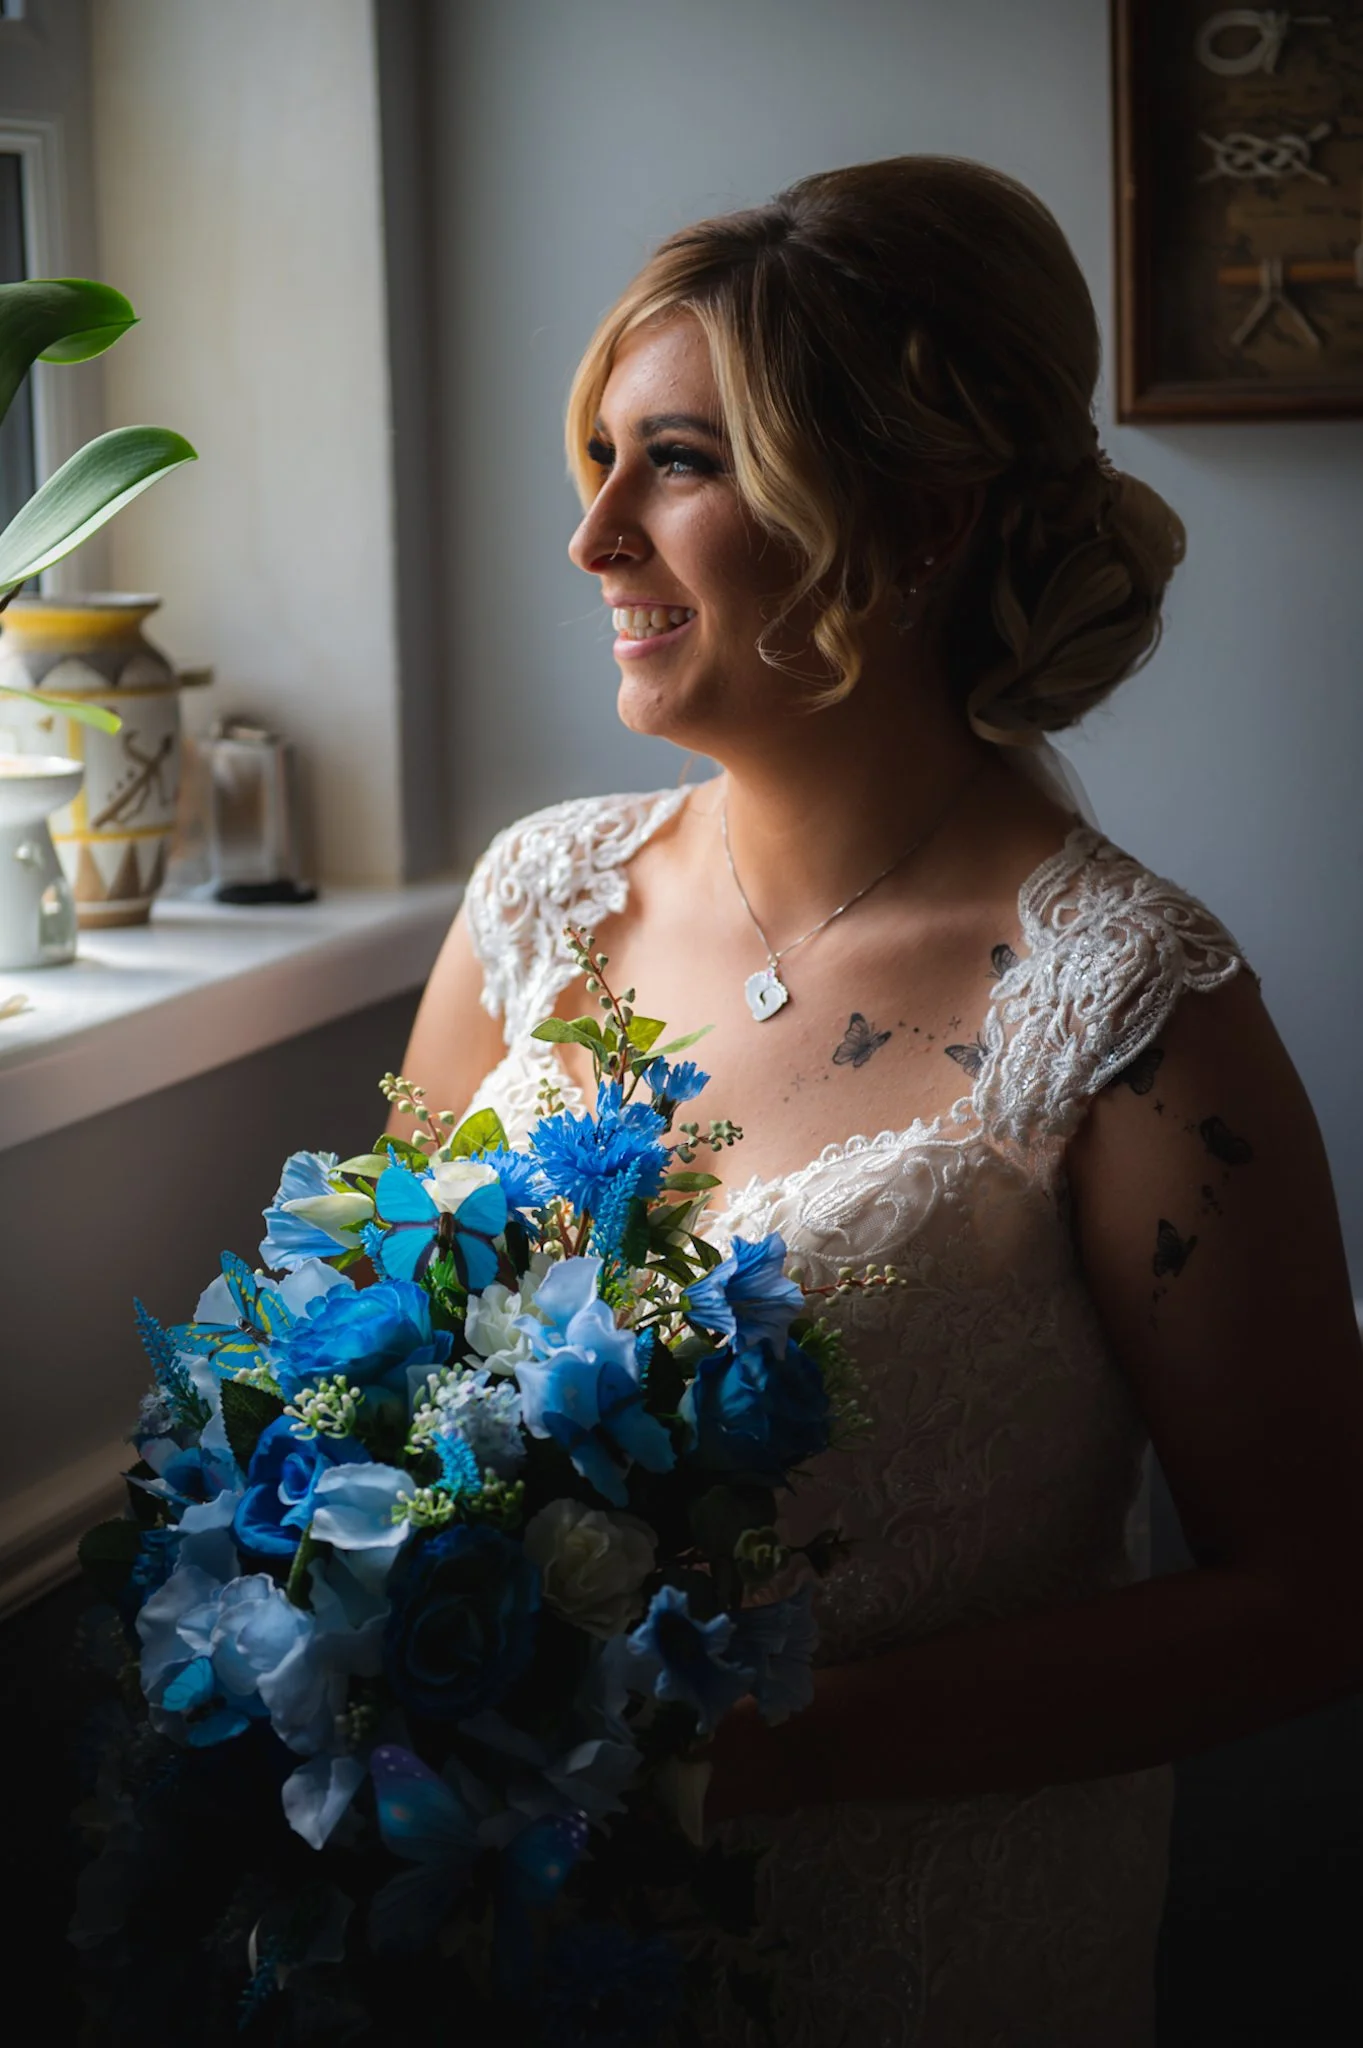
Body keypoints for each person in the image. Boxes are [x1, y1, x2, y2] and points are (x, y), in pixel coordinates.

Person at [394, 158, 1361, 2046]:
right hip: (498, 1940)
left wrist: (772, 1753)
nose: (592, 537)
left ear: (915, 520)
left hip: (907, 1954)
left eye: (677, 463)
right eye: (597, 459)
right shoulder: (534, 906)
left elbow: (1314, 1595)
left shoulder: (1128, 1010)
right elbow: (382, 1368)